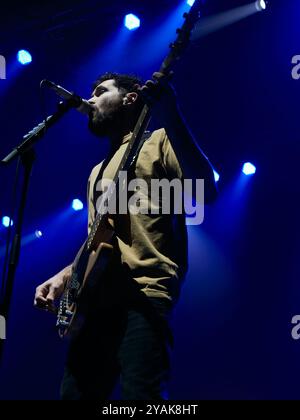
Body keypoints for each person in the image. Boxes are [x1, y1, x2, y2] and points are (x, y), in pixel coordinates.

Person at [34, 71, 217, 400]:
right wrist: (64, 276)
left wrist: (170, 112)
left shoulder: (159, 140)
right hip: (94, 302)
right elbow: (97, 239)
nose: (90, 100)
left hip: (144, 295)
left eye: (100, 92)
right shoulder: (96, 172)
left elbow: (206, 191)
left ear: (130, 98)